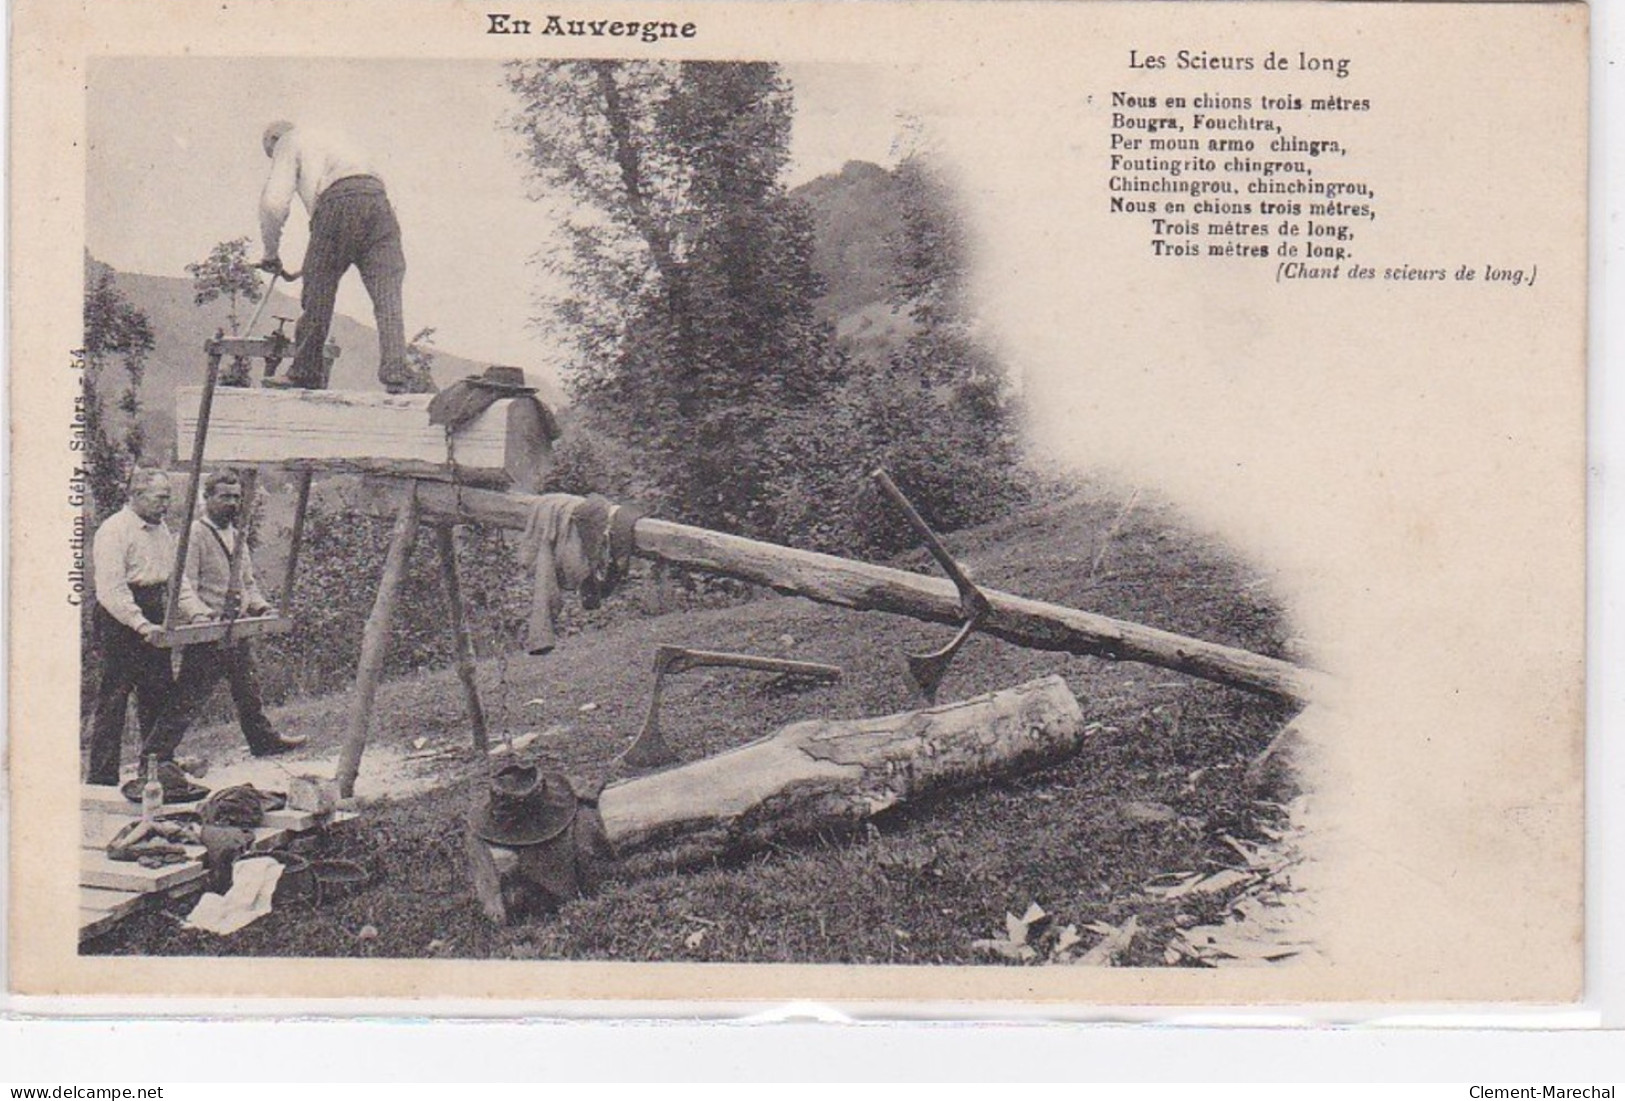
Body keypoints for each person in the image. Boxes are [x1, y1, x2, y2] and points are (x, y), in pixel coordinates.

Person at [142, 471, 308, 761]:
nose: (232, 503)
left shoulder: (237, 534)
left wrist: (260, 607)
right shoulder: (194, 535)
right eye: (224, 497)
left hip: (237, 629)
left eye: (236, 497)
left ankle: (262, 740)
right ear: (207, 498)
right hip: (209, 633)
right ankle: (156, 756)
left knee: (248, 688)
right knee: (189, 697)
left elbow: (247, 584)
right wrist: (198, 615)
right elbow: (182, 584)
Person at [257, 120, 411, 393]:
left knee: (318, 294)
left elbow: (273, 203)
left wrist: (271, 253)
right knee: (387, 298)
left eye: (270, 151)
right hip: (379, 203)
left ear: (273, 138)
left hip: (337, 203)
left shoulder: (288, 140)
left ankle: (305, 371)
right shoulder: (337, 138)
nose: (273, 156)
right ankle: (397, 373)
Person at [86, 469, 178, 785]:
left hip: (153, 609)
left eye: (168, 497)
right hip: (119, 618)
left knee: (158, 693)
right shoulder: (114, 531)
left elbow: (171, 579)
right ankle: (101, 778)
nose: (166, 504)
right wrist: (140, 624)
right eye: (160, 497)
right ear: (136, 495)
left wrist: (188, 613)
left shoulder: (162, 529)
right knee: (115, 698)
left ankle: (154, 772)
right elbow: (112, 591)